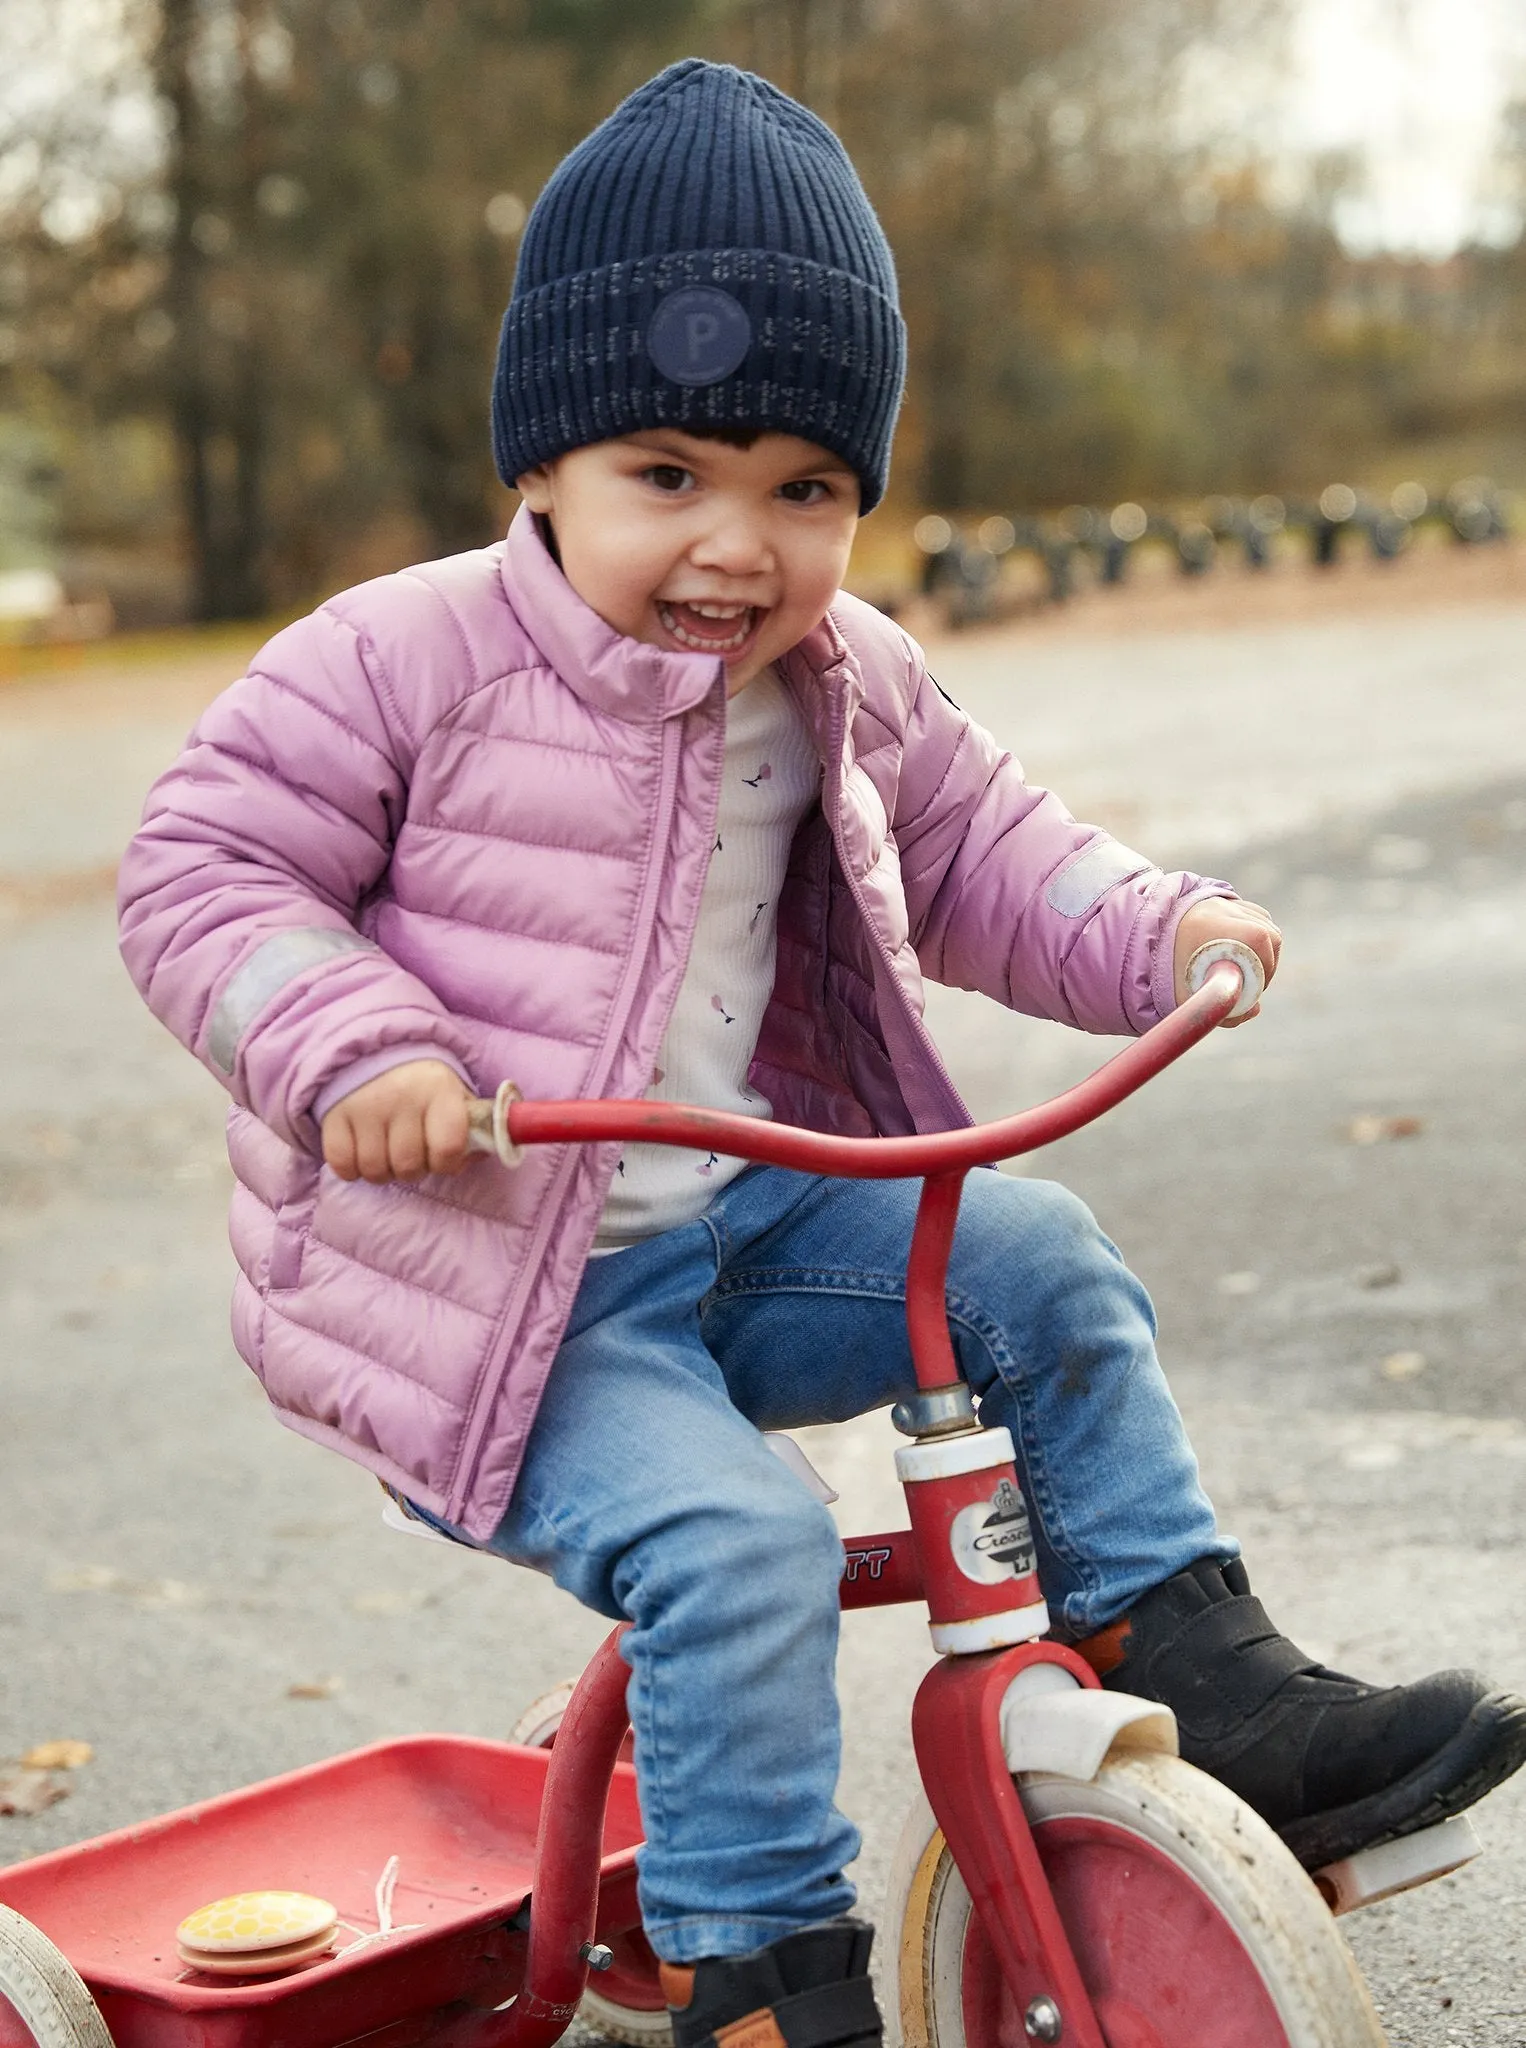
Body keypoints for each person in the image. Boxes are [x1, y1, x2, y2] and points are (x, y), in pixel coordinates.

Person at [118, 60, 1525, 2048]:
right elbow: (202, 867)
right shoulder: (397, 661)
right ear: (541, 465)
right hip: (497, 1296)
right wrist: (354, 1042)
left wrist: (1165, 928)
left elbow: (993, 852)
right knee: (740, 1536)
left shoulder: (842, 681)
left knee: (1032, 1258)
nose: (738, 546)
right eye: (669, 475)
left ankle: (1201, 1669)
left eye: (807, 488)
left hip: (746, 1234)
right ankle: (763, 1968)